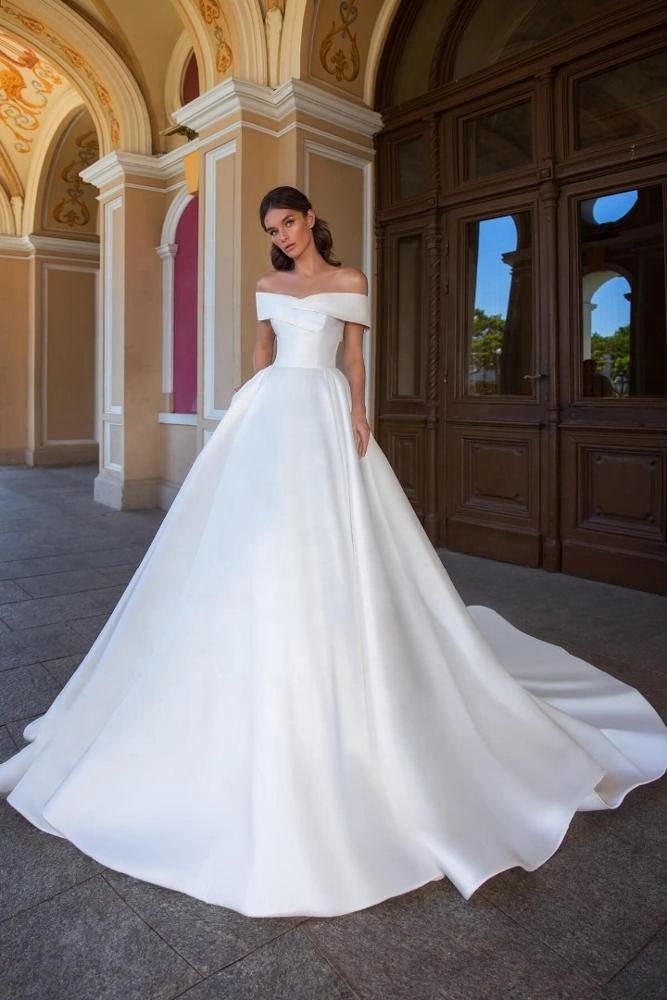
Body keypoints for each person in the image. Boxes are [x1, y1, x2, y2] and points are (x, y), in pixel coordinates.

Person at [0, 186, 665, 919]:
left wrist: (358, 415)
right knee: (247, 540)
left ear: (312, 217)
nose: (281, 236)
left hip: (321, 412)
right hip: (270, 412)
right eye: (272, 229)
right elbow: (260, 354)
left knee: (329, 538)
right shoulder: (266, 285)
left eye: (288, 222)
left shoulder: (349, 282)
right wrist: (237, 418)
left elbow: (352, 359)